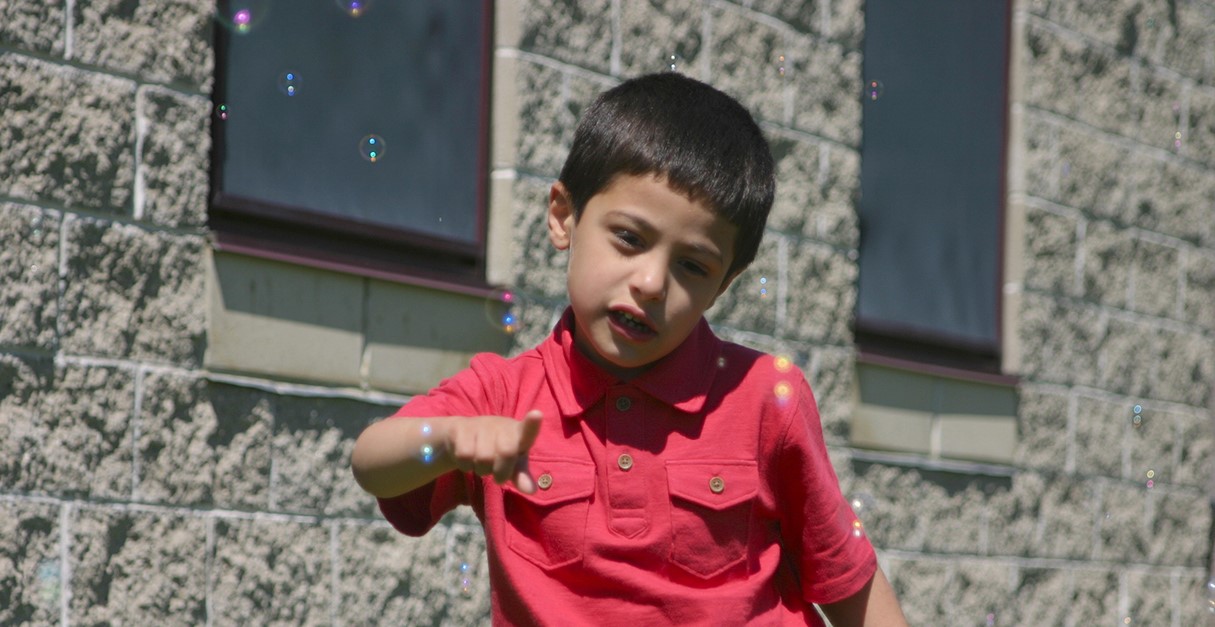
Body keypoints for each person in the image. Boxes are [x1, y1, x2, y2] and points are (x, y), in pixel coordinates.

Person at [351, 72, 907, 626]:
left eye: (692, 266)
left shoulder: (764, 398)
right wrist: (445, 440)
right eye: (630, 239)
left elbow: (846, 584)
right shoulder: (504, 395)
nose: (651, 283)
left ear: (725, 283)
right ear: (564, 216)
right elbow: (372, 463)